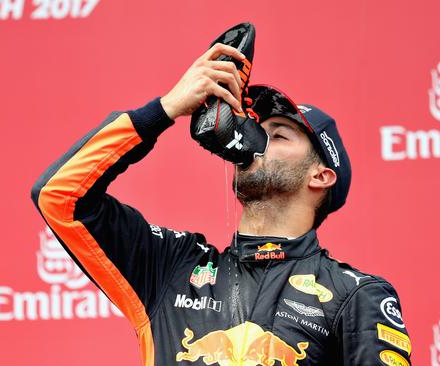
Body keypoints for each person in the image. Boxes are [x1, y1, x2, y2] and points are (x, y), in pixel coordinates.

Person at [31, 43, 412, 365]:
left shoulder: (355, 295)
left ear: (320, 176)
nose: (253, 142)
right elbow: (59, 194)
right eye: (254, 131)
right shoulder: (171, 266)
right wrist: (163, 111)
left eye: (278, 136)